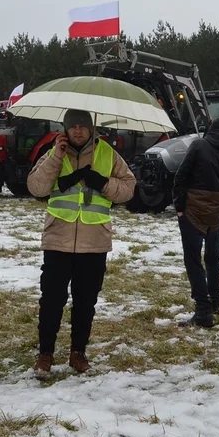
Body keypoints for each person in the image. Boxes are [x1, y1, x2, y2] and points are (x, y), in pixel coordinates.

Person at [27, 109, 136, 379]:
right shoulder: (54, 152)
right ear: (65, 129)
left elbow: (128, 189)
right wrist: (57, 157)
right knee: (51, 300)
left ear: (92, 129)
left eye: (83, 126)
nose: (78, 131)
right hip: (58, 240)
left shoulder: (108, 154)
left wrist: (103, 183)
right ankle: (45, 354)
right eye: (72, 126)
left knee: (85, 302)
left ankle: (78, 353)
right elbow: (36, 187)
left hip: (94, 242)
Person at [172, 117, 219, 327]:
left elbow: (181, 176)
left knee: (193, 259)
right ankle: (215, 300)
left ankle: (203, 310)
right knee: (213, 257)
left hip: (193, 209)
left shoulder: (199, 145)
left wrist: (179, 207)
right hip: (216, 212)